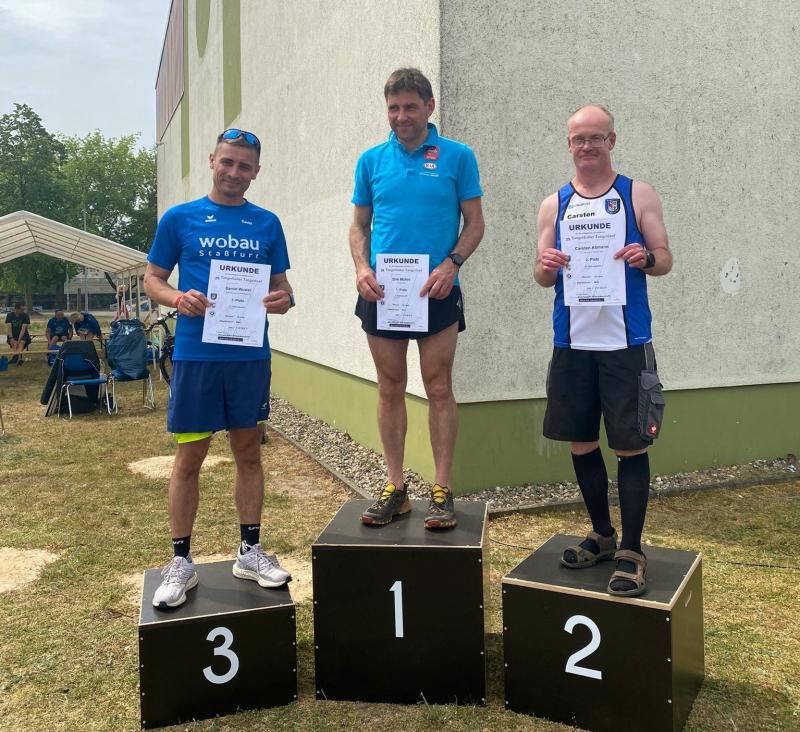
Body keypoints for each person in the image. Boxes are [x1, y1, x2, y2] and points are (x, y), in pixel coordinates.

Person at [144, 127, 295, 608]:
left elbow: (283, 287)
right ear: (212, 161)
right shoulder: (179, 218)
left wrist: (284, 299)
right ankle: (180, 561)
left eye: (244, 166)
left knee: (249, 454)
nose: (234, 172)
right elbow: (153, 279)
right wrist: (176, 298)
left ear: (256, 172)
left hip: (249, 358)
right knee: (189, 459)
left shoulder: (267, 223)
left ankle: (250, 552)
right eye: (227, 162)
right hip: (196, 358)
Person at [534, 104, 672, 597]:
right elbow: (541, 275)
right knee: (580, 441)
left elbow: (664, 259)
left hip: (624, 342)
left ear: (611, 141)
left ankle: (632, 550)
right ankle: (602, 534)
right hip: (572, 342)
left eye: (596, 137)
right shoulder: (554, 204)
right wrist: (547, 264)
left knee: (629, 445)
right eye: (579, 138)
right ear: (568, 144)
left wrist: (645, 256)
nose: (587, 146)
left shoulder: (637, 194)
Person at [349, 68, 484, 529]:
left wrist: (452, 264)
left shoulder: (458, 156)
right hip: (383, 290)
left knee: (439, 386)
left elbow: (475, 223)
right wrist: (361, 268)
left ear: (430, 106)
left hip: (437, 289)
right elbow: (359, 226)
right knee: (389, 386)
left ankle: (442, 489)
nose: (401, 116)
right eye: (394, 108)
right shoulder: (371, 160)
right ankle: (396, 488)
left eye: (410, 107)